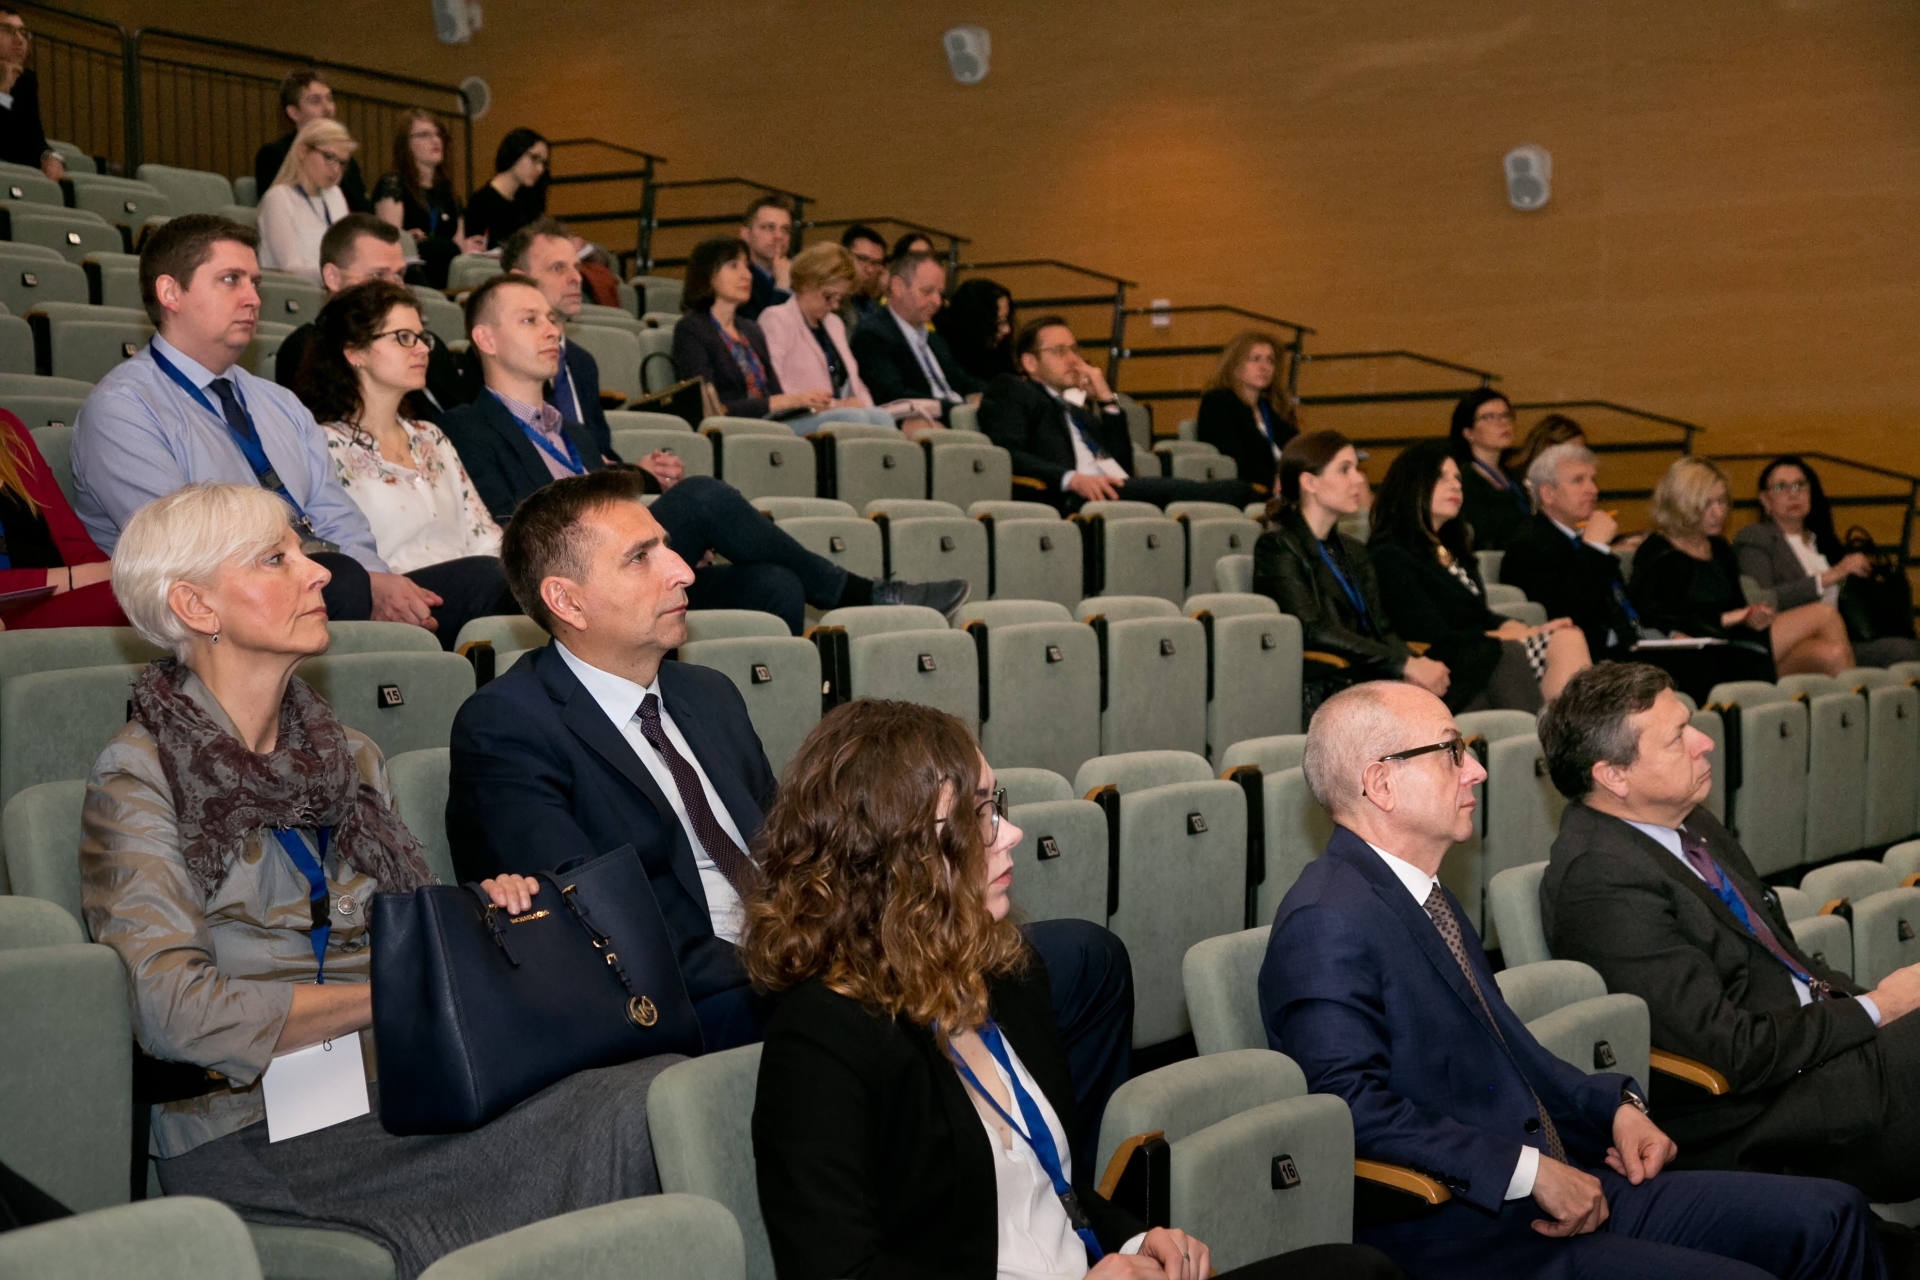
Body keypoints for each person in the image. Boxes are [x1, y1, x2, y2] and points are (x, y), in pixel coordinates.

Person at [80, 482, 680, 1280]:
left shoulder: (349, 755)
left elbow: (410, 935)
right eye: (275, 559)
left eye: (303, 551)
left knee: (660, 1093)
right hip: (251, 1129)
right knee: (633, 1114)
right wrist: (398, 991)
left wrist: (479, 919)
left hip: (397, 1088)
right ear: (196, 606)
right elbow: (171, 1013)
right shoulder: (140, 775)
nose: (319, 573)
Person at [448, 472, 1130, 1141]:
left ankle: (1054, 1191)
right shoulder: (509, 726)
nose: (683, 572)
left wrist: (869, 926)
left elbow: (799, 851)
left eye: (669, 547)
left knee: (1087, 958)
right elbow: (593, 932)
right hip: (700, 1002)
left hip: (807, 957)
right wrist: (807, 959)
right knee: (907, 1011)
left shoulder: (707, 694)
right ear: (566, 601)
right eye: (641, 557)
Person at [747, 697, 1404, 1280]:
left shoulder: (1007, 975)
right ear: (896, 855)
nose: (1009, 833)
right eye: (977, 817)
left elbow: (1052, 1188)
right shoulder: (822, 1040)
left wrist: (1139, 1240)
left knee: (1357, 1269)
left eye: (996, 806)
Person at [1260, 677, 1890, 1279]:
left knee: (1832, 1215)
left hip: (1560, 1179)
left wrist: (1615, 1106)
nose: (1476, 770)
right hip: (1471, 1233)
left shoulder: (1423, 895)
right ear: (1381, 783)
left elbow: (1513, 1055)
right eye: (1451, 752)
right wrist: (1527, 1172)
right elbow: (1349, 1106)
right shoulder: (1328, 917)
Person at [1539, 661, 1920, 1204]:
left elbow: (1786, 960)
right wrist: (1878, 1008)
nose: (1704, 743)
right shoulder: (1600, 880)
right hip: (1761, 1114)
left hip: (1814, 1053)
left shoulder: (1687, 821)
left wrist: (1873, 1007)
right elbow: (1728, 1051)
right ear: (1614, 776)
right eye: (1677, 737)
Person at [439, 275, 967, 631]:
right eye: (530, 320)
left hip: (625, 565)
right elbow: (513, 530)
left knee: (775, 586)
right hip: (566, 577)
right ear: (485, 338)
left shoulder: (575, 433)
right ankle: (860, 593)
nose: (553, 330)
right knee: (699, 498)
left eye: (552, 318)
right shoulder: (465, 426)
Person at [71, 214, 449, 640]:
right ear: (170, 292)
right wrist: (342, 577)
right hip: (209, 612)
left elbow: (335, 513)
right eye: (231, 280)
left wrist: (375, 580)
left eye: (255, 282)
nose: (252, 298)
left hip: (321, 580)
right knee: (342, 581)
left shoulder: (278, 402)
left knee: (482, 582)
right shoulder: (123, 409)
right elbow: (185, 547)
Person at [296, 279, 518, 641]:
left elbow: (483, 535)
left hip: (474, 587)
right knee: (490, 579)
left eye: (421, 337)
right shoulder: (323, 445)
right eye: (403, 337)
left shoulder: (431, 436)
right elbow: (326, 549)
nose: (423, 349)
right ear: (355, 352)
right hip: (390, 598)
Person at [1500, 443, 1773, 705]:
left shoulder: (1579, 540)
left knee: (1739, 656)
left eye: (1593, 480)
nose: (1593, 489)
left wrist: (1668, 635)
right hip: (1597, 654)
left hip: (1636, 643)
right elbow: (1564, 613)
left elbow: (1630, 608)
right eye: (1578, 481)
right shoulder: (1529, 544)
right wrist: (1594, 549)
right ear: (1547, 493)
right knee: (1714, 667)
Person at [1368, 439, 1590, 711]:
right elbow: (1433, 636)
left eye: (1457, 478)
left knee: (1566, 636)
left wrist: (1528, 629)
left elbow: (1480, 616)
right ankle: (1557, 734)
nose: (1455, 485)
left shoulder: (1451, 549)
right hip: (1447, 667)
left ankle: (1565, 733)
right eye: (1442, 477)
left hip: (1484, 653)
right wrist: (1510, 636)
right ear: (1413, 484)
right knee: (1520, 650)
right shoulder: (1390, 556)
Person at [1254, 431, 1449, 716]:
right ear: (1309, 482)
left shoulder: (1353, 549)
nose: (1359, 479)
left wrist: (1415, 663)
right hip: (1327, 687)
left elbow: (1380, 627)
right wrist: (1402, 664)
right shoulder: (1278, 547)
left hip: (1369, 674)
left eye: (1356, 469)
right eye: (1345, 469)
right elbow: (1313, 630)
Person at [979, 315, 1250, 514]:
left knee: (1231, 492)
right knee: (1228, 492)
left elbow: (1120, 465)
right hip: (1067, 496)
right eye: (1059, 351)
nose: (1073, 359)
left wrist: (1106, 399)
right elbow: (1007, 452)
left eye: (1074, 349)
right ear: (1030, 362)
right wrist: (1071, 479)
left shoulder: (1077, 410)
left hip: (1110, 489)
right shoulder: (1011, 390)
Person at [1631, 456, 1849, 677]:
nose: (1718, 512)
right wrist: (1727, 618)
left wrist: (1752, 616)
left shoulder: (1720, 548)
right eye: (1707, 504)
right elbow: (1652, 616)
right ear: (1682, 505)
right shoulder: (1658, 551)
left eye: (1722, 501)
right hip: (1703, 653)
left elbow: (1737, 606)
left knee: (1832, 655)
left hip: (1738, 641)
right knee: (1823, 614)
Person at [674, 238, 891, 434]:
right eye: (733, 266)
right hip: (738, 428)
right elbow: (709, 407)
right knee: (849, 419)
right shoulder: (692, 330)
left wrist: (796, 402)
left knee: (882, 418)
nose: (747, 275)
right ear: (707, 275)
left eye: (746, 266)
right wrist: (786, 401)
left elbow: (776, 392)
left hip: (773, 422)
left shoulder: (750, 330)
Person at [276, 214, 479, 422]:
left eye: (399, 275)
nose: (393, 287)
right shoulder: (307, 348)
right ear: (333, 277)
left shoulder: (426, 345)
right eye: (376, 276)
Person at [1735, 455, 1920, 667]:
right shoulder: (1756, 538)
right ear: (1765, 500)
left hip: (1846, 637)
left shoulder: (1822, 541)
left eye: (1799, 485)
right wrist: (1829, 577)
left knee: (1907, 649)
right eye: (1780, 487)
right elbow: (1762, 600)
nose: (1793, 493)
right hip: (1795, 645)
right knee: (1838, 652)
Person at [756, 242, 920, 434]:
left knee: (881, 417)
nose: (834, 305)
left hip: (833, 414)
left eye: (840, 299)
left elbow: (854, 383)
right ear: (807, 283)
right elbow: (774, 387)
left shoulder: (834, 324)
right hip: (794, 416)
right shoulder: (777, 319)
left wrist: (866, 406)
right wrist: (836, 405)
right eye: (829, 296)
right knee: (851, 418)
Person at [500, 216, 625, 462]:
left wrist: (639, 469)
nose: (576, 278)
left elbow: (601, 448)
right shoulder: (500, 357)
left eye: (576, 267)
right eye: (558, 268)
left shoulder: (582, 363)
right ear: (519, 280)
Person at [0, 406, 124, 628]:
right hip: (10, 611)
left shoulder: (6, 424)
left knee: (158, 593)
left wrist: (106, 572)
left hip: (56, 598)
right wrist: (75, 578)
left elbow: (70, 538)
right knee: (150, 606)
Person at [849, 252, 985, 422]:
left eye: (940, 293)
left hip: (956, 418)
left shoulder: (935, 340)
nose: (937, 301)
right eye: (927, 291)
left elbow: (962, 381)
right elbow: (893, 395)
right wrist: (958, 407)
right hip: (922, 421)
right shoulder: (872, 336)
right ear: (898, 287)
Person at [372, 110, 481, 289]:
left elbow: (458, 245)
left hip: (446, 275)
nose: (435, 140)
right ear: (406, 144)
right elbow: (389, 242)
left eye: (438, 134)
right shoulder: (393, 184)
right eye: (424, 135)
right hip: (412, 278)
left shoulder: (449, 192)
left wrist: (469, 246)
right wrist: (408, 238)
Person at [1195, 331, 1297, 498]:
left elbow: (1298, 448)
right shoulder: (1218, 403)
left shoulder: (1273, 407)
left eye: (1270, 360)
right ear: (1235, 367)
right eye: (1255, 359)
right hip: (1246, 491)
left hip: (1285, 489)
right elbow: (1233, 461)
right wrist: (1275, 480)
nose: (1264, 367)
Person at [252, 70, 369, 214]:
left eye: (329, 99)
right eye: (315, 101)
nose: (328, 108)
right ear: (294, 113)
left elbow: (363, 210)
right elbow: (276, 209)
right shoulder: (273, 155)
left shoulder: (344, 158)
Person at [255, 118, 356, 280]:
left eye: (342, 163)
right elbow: (289, 268)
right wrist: (343, 276)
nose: (336, 169)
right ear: (302, 151)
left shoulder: (335, 195)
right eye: (328, 157)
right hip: (295, 292)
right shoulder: (279, 197)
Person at [1448, 388, 1531, 551]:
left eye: (1505, 415)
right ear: (1468, 433)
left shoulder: (1515, 476)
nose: (1502, 422)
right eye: (1488, 417)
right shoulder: (1464, 481)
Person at [0, 7, 60, 180]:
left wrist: (48, 156)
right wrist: (3, 90)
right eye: (8, 30)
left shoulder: (25, 80)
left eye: (23, 32)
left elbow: (33, 136)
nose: (19, 39)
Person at [464, 127, 547, 250]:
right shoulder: (481, 202)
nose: (540, 169)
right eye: (534, 158)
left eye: (543, 163)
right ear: (515, 153)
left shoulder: (529, 200)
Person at [932, 276, 1015, 383]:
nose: (1007, 329)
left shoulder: (998, 354)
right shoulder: (945, 355)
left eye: (1007, 320)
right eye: (999, 323)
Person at [736, 194, 793, 322]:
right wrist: (782, 289)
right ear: (745, 234)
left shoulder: (801, 280)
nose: (778, 236)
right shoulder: (738, 281)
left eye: (785, 229)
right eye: (768, 227)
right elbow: (762, 332)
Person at [1504, 411, 1585, 501]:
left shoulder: (1578, 485)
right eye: (1568, 453)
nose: (1576, 460)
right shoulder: (1511, 484)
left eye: (1580, 453)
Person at [838, 223, 888, 325]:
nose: (870, 270)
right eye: (862, 259)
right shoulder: (832, 302)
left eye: (876, 263)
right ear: (843, 256)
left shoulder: (876, 304)